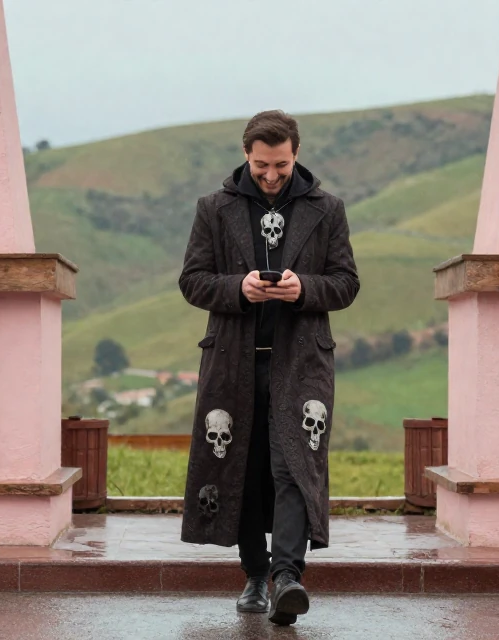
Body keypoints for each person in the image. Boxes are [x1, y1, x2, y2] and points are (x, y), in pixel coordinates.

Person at [178, 110, 360, 626]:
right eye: (262, 165)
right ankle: (255, 575)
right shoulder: (213, 208)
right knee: (244, 464)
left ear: (296, 154)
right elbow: (193, 281)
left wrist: (306, 289)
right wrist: (239, 287)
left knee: (293, 467)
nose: (271, 175)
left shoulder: (328, 209)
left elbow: (346, 283)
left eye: (280, 165)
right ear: (246, 155)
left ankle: (287, 577)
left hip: (301, 363)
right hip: (232, 364)